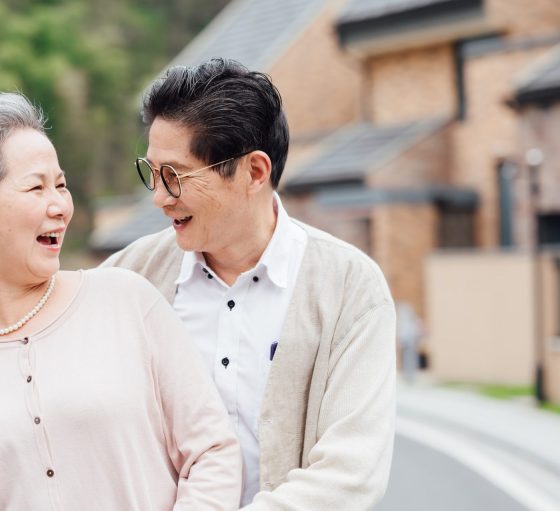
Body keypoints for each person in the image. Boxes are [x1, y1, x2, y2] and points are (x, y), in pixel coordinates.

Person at [0, 92, 241, 511]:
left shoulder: (127, 303)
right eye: (36, 187)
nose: (59, 207)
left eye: (61, 185)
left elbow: (211, 451)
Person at [103, 58, 397, 509]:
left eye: (175, 176)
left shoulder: (350, 288)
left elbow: (353, 470)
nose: (159, 198)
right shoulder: (128, 278)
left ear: (255, 172)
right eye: (153, 172)